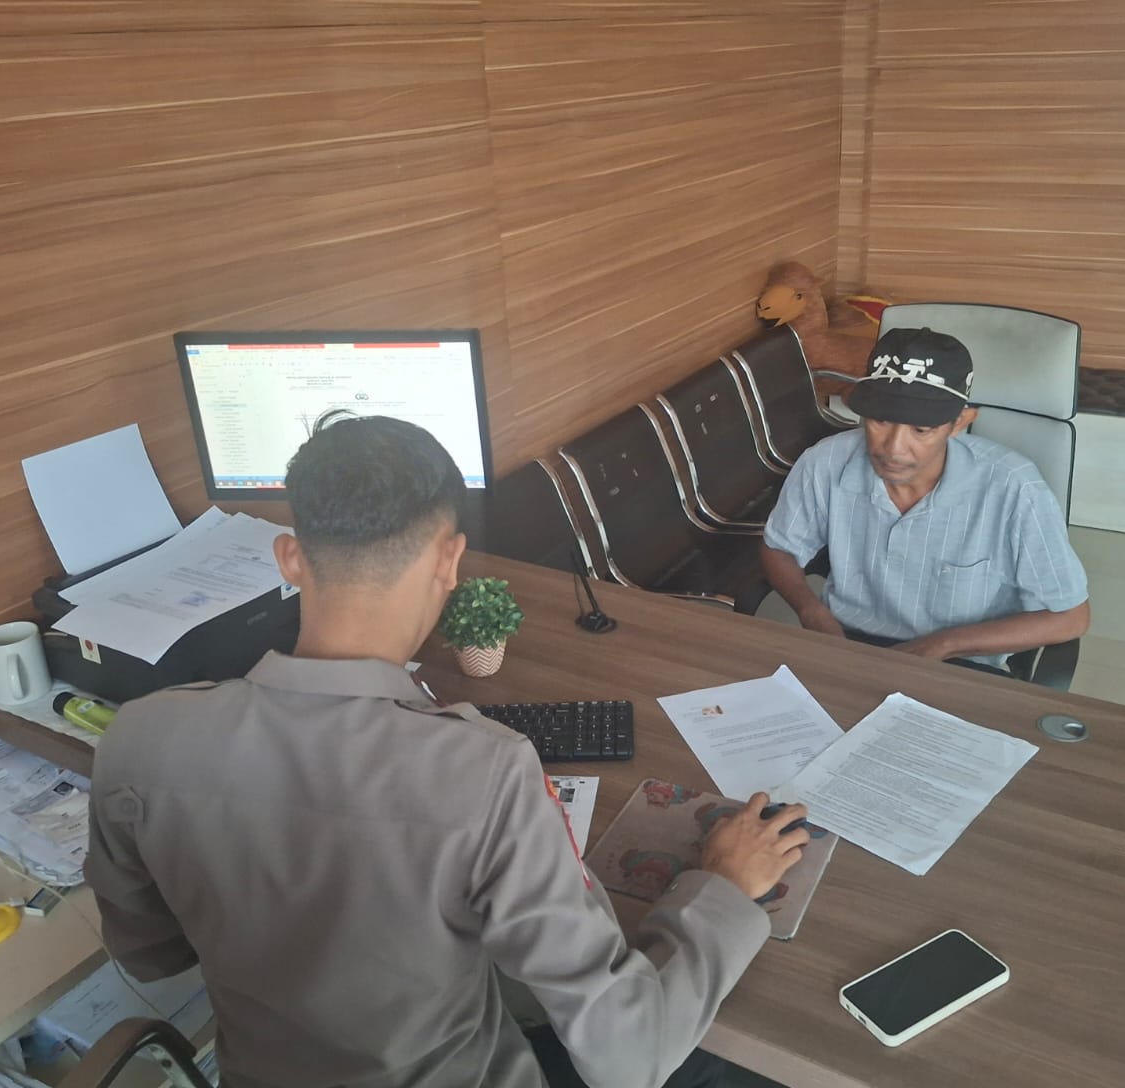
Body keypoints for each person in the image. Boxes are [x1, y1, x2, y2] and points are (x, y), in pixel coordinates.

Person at [86, 414, 811, 1088]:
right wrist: (720, 888)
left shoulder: (140, 737)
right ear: (450, 560)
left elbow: (153, 955)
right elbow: (631, 1056)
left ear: (289, 559)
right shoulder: (486, 769)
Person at [760, 327, 1090, 676]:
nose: (893, 448)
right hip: (847, 645)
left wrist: (942, 645)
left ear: (959, 423)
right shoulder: (826, 461)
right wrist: (812, 612)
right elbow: (779, 547)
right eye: (880, 420)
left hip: (958, 663)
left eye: (921, 430)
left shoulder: (1014, 488)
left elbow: (1072, 616)